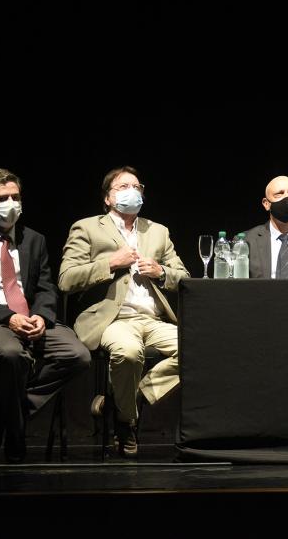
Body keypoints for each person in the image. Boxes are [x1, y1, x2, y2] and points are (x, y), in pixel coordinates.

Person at [0, 169, 90, 462]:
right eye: (2, 198)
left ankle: (4, 413)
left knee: (77, 355)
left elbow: (47, 287)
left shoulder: (33, 239)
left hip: (31, 317)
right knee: (11, 354)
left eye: (15, 197)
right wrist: (7, 316)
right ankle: (15, 435)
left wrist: (42, 317)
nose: (11, 203)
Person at [58, 166, 189, 457]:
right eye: (122, 187)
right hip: (113, 319)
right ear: (107, 198)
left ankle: (121, 404)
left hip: (153, 319)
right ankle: (126, 424)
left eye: (136, 186)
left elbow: (184, 277)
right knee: (129, 352)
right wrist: (110, 264)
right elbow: (66, 279)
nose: (131, 191)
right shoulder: (88, 227)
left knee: (199, 348)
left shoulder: (157, 231)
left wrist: (161, 271)